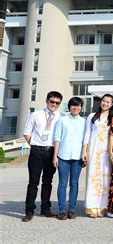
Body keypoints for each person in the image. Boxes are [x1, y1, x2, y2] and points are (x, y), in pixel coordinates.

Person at [22, 91, 63, 222]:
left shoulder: (61, 117)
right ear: (47, 100)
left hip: (52, 152)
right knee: (33, 182)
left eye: (57, 103)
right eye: (52, 101)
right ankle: (29, 210)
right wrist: (36, 145)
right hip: (37, 151)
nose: (54, 104)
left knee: (47, 182)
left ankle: (45, 209)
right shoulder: (36, 115)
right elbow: (27, 133)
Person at [52, 97, 86, 220]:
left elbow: (85, 140)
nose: (75, 108)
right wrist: (55, 156)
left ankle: (71, 209)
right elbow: (57, 138)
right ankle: (62, 210)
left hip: (77, 157)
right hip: (63, 156)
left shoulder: (84, 121)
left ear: (81, 107)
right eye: (73, 105)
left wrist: (84, 154)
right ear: (69, 106)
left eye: (78, 106)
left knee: (74, 183)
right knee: (62, 183)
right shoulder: (62, 120)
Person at [82, 93, 113, 218]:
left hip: (106, 152)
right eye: (103, 101)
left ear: (111, 105)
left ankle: (104, 207)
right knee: (93, 177)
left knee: (106, 178)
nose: (105, 104)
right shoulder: (92, 116)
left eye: (108, 102)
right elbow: (87, 134)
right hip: (94, 151)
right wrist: (84, 150)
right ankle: (92, 207)